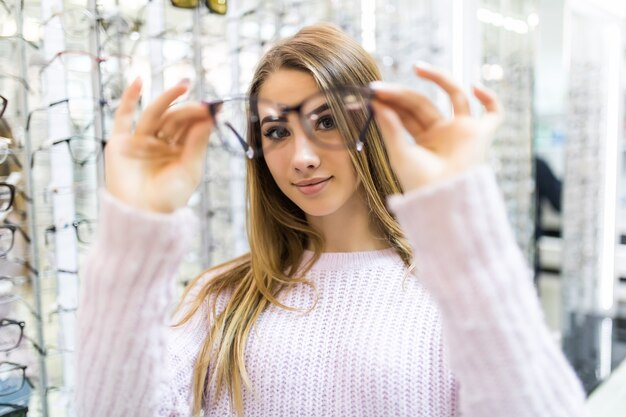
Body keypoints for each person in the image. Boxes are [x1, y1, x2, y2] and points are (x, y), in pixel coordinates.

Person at [76, 24, 585, 416]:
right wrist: (134, 230)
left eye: (325, 122)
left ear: (374, 124)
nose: (301, 156)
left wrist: (459, 221)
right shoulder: (221, 296)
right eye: (275, 131)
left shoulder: (453, 292)